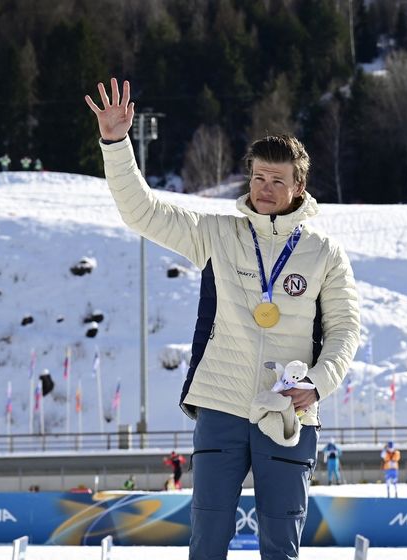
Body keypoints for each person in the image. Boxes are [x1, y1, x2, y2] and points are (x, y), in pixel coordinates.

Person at [86, 78, 360, 560]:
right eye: (258, 178)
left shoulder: (324, 253)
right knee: (207, 539)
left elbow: (345, 329)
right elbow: (142, 212)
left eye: (277, 181)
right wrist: (116, 142)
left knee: (281, 544)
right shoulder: (217, 234)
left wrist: (318, 384)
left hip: (289, 412)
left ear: (299, 187)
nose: (265, 189)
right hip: (220, 405)